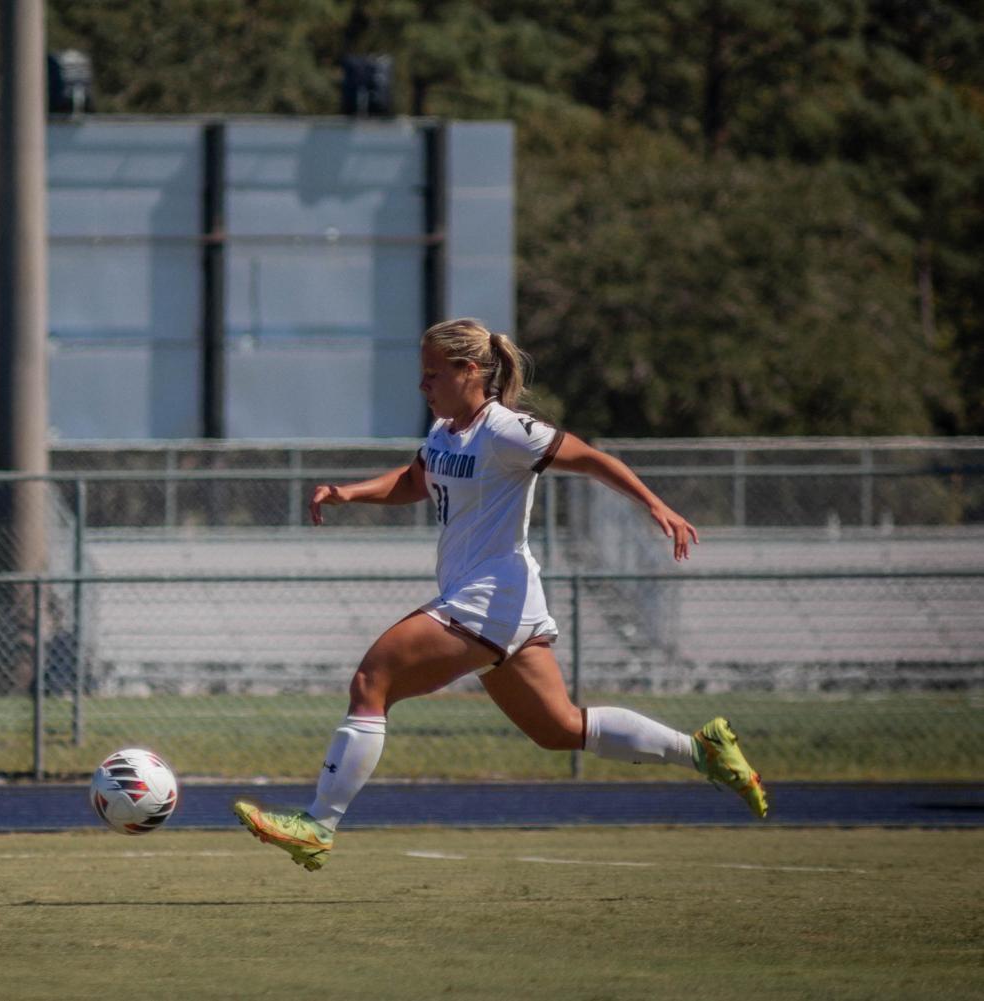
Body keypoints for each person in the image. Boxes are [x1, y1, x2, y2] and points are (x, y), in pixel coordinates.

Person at [232, 318, 767, 871]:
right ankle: (701, 751)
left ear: (470, 371)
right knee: (559, 729)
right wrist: (350, 493)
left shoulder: (508, 430)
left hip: (489, 597)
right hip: (507, 602)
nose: (423, 385)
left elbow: (590, 458)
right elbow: (416, 481)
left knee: (373, 679)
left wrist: (655, 504)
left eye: (433, 373)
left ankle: (318, 823)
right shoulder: (444, 433)